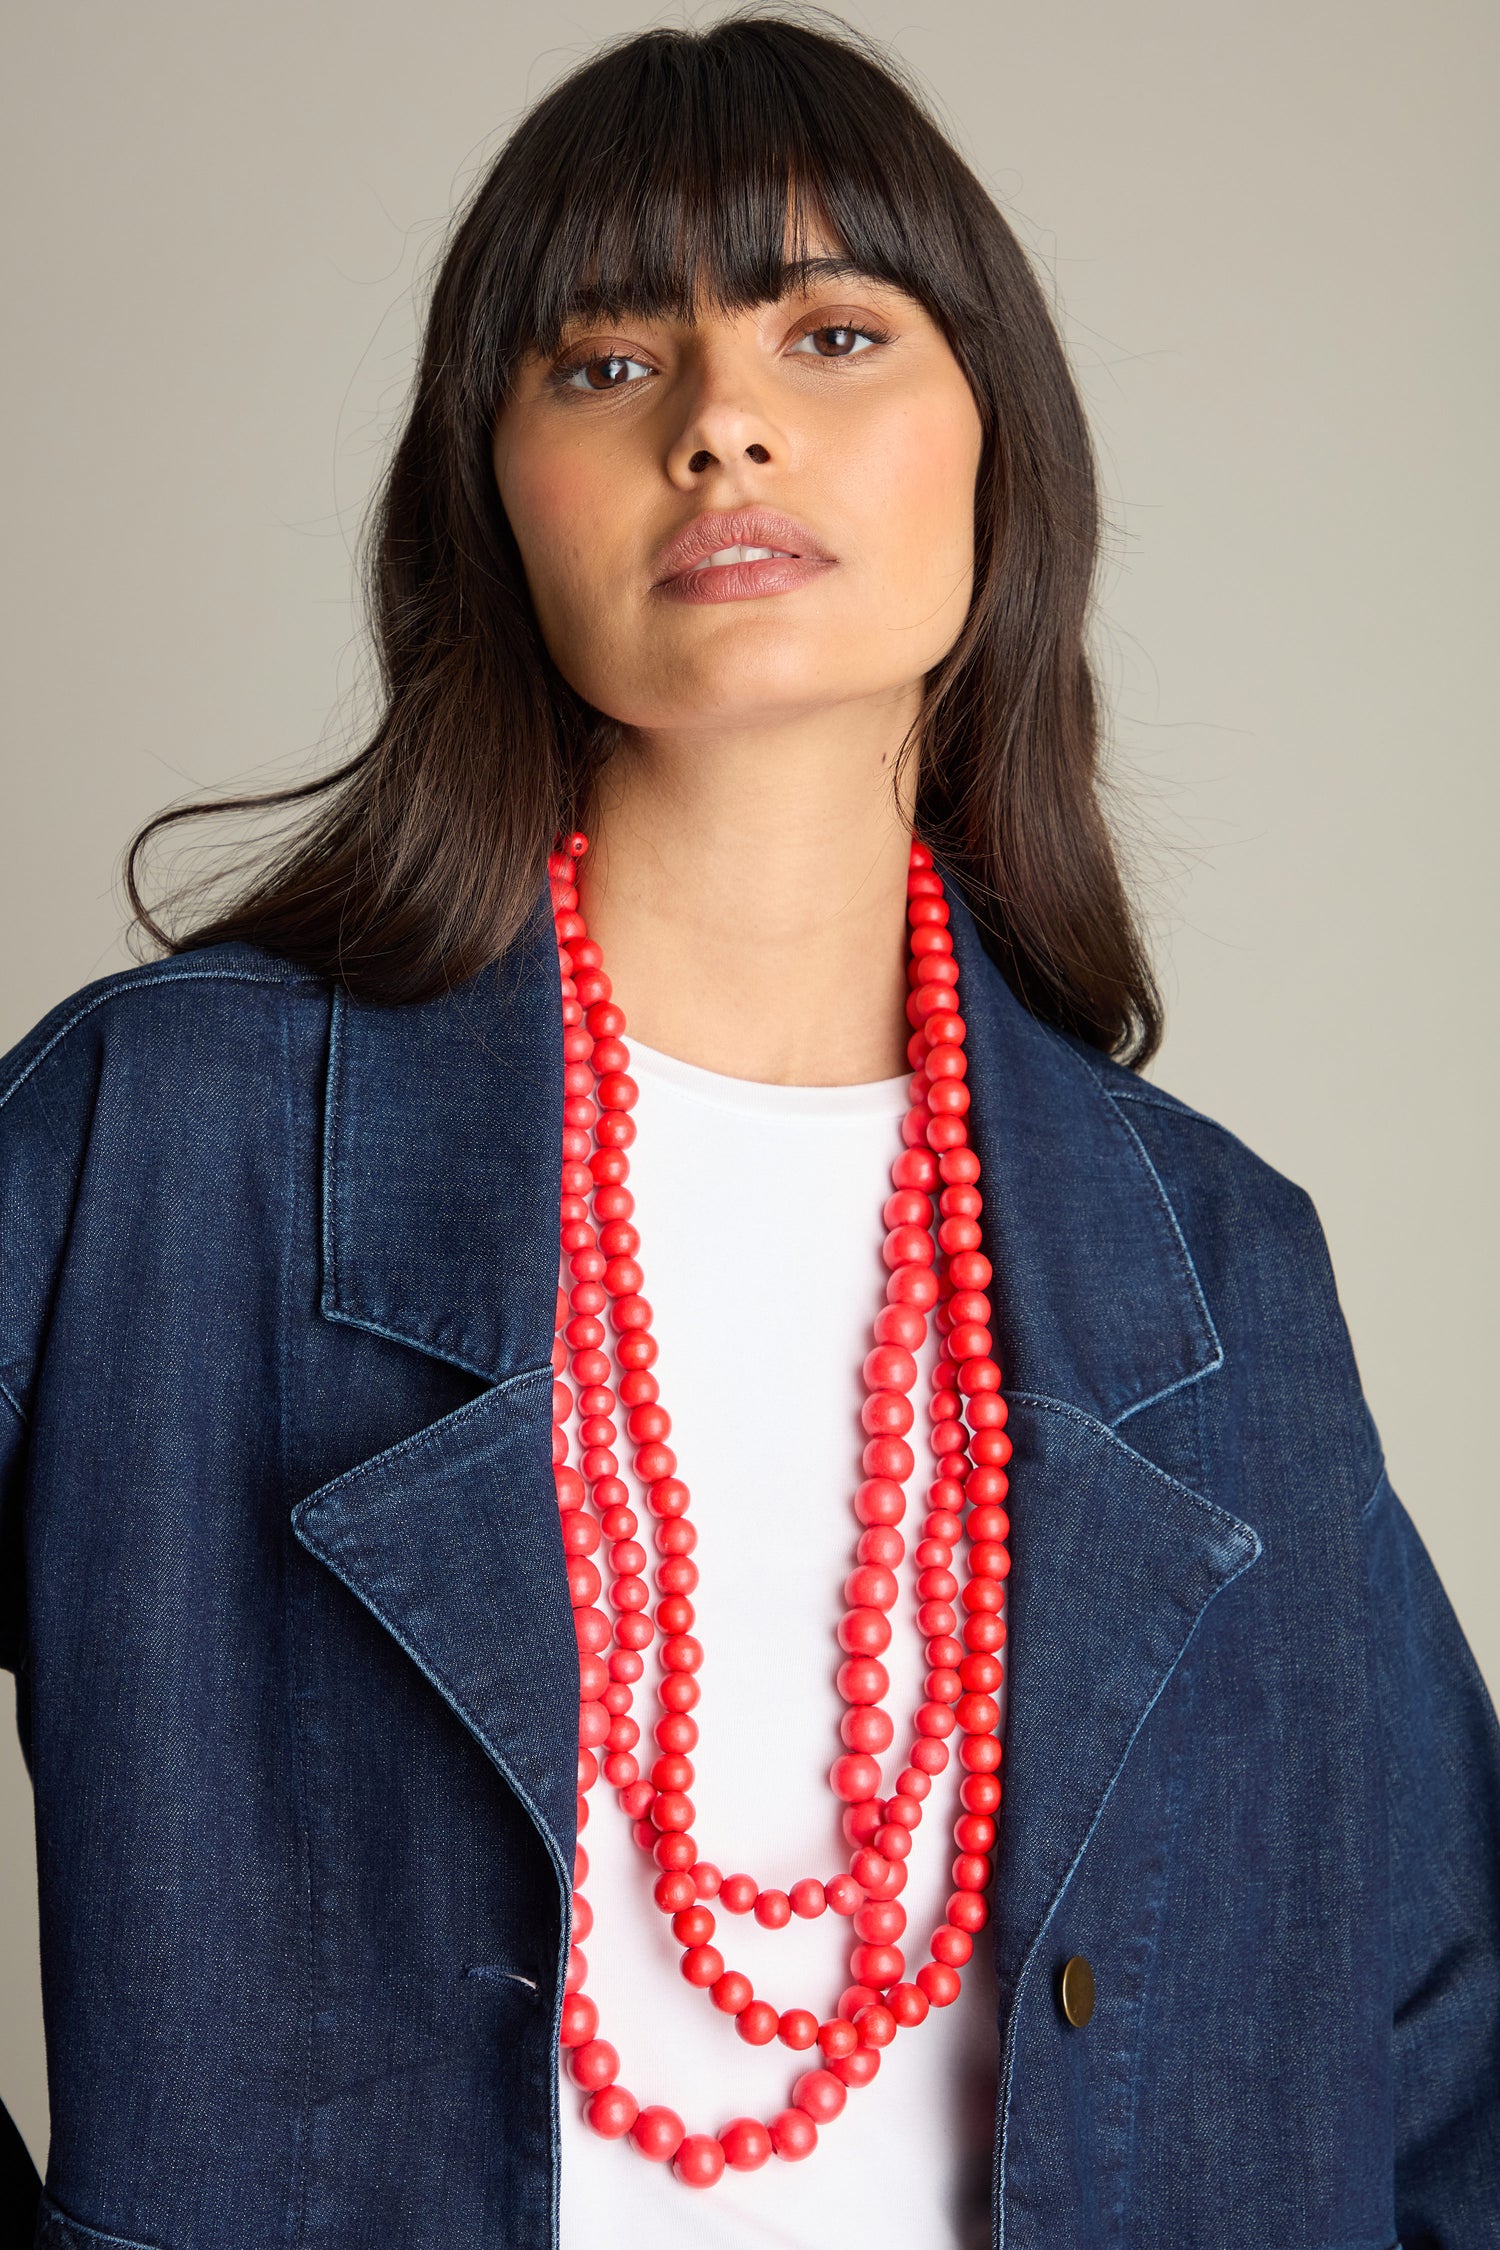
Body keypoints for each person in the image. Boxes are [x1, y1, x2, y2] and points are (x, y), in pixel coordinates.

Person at [2, 12, 1497, 2248]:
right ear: (491, 503)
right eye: (603, 366)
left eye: (832, 329)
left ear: (1001, 450)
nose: (722, 423)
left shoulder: (1213, 1262)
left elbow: (1436, 2051)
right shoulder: (168, 1140)